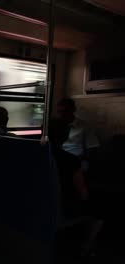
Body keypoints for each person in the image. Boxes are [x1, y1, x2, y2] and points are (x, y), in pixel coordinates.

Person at [50, 98, 102, 257]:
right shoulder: (64, 157)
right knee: (93, 204)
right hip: (68, 166)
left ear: (73, 111)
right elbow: (83, 194)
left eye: (64, 112)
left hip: (76, 164)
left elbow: (93, 152)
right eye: (59, 112)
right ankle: (85, 247)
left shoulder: (84, 127)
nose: (61, 115)